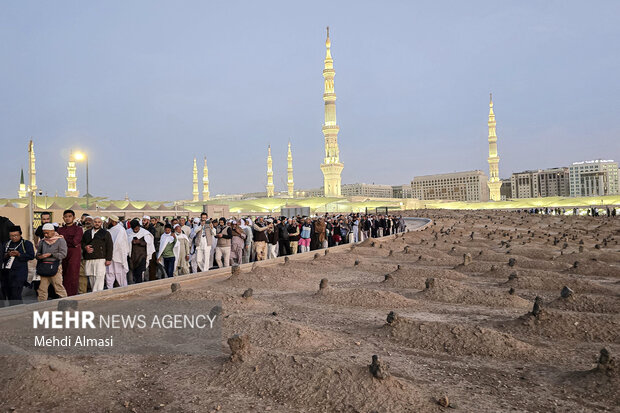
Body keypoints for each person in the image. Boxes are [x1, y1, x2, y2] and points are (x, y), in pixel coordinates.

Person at [1, 225, 35, 305]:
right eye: (11, 236)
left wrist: (19, 254)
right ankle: (12, 311)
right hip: (6, 273)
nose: (13, 238)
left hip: (19, 273)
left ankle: (18, 311)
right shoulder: (6, 244)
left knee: (16, 294)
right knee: (8, 293)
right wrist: (7, 255)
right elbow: (2, 256)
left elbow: (31, 256)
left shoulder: (26, 243)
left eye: (16, 235)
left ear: (20, 234)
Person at [36, 223, 68, 301]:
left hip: (55, 266)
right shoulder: (42, 242)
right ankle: (41, 306)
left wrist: (51, 254)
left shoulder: (60, 240)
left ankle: (66, 305)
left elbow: (63, 254)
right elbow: (37, 254)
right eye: (44, 233)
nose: (46, 235)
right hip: (44, 266)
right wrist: (40, 256)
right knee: (42, 289)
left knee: (58, 287)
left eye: (47, 233)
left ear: (53, 231)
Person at [81, 217, 113, 292]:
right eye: (95, 222)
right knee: (91, 276)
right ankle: (94, 292)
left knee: (100, 276)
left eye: (99, 222)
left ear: (101, 223)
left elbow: (109, 246)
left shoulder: (105, 233)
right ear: (93, 223)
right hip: (89, 258)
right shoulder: (87, 233)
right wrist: (86, 247)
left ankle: (97, 293)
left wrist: (109, 259)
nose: (97, 223)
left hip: (101, 258)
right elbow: (82, 243)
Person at [56, 209, 82, 296]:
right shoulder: (60, 230)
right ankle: (63, 294)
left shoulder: (78, 229)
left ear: (74, 218)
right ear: (63, 218)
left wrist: (63, 239)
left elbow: (75, 242)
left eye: (70, 217)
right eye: (66, 217)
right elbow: (57, 242)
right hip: (63, 254)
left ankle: (71, 295)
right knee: (63, 274)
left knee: (73, 274)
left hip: (74, 254)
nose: (67, 219)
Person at [126, 219, 155, 283]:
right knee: (132, 274)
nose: (136, 230)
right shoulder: (128, 232)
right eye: (134, 229)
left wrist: (139, 242)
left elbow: (149, 244)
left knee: (139, 274)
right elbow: (125, 243)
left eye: (137, 228)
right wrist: (131, 242)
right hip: (132, 257)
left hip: (141, 257)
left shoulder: (144, 233)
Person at [106, 215, 129, 288]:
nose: (107, 222)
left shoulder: (120, 230)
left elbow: (120, 244)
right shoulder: (109, 229)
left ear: (113, 222)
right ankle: (109, 291)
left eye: (109, 221)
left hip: (118, 257)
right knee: (109, 273)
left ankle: (124, 291)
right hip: (110, 256)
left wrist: (112, 253)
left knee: (120, 274)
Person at [78, 216, 94, 294]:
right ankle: (82, 292)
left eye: (89, 220)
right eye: (86, 221)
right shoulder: (81, 230)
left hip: (94, 257)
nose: (87, 222)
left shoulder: (97, 231)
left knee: (93, 274)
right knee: (82, 274)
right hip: (83, 256)